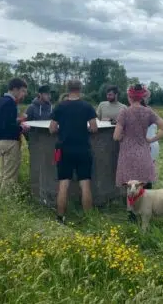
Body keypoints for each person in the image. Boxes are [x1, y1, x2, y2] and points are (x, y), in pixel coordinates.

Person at [113, 83, 163, 222]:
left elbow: (116, 136)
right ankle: (148, 211)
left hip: (127, 154)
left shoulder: (124, 112)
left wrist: (123, 136)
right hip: (144, 152)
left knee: (130, 186)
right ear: (142, 97)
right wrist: (151, 139)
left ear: (129, 97)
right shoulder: (148, 112)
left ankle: (132, 216)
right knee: (145, 183)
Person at [49, 79, 98, 224]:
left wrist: (63, 130)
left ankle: (60, 217)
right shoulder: (87, 106)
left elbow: (52, 129)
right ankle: (88, 218)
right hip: (83, 149)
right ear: (80, 89)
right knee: (85, 183)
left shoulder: (60, 106)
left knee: (63, 183)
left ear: (67, 89)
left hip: (64, 150)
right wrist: (83, 129)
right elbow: (94, 128)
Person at [0, 78, 30, 193]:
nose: (24, 94)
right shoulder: (10, 103)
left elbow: (5, 121)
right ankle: (6, 200)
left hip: (1, 140)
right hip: (10, 141)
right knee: (10, 176)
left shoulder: (1, 101)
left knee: (3, 173)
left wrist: (18, 120)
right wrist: (22, 128)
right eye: (23, 91)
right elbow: (8, 125)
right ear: (15, 89)